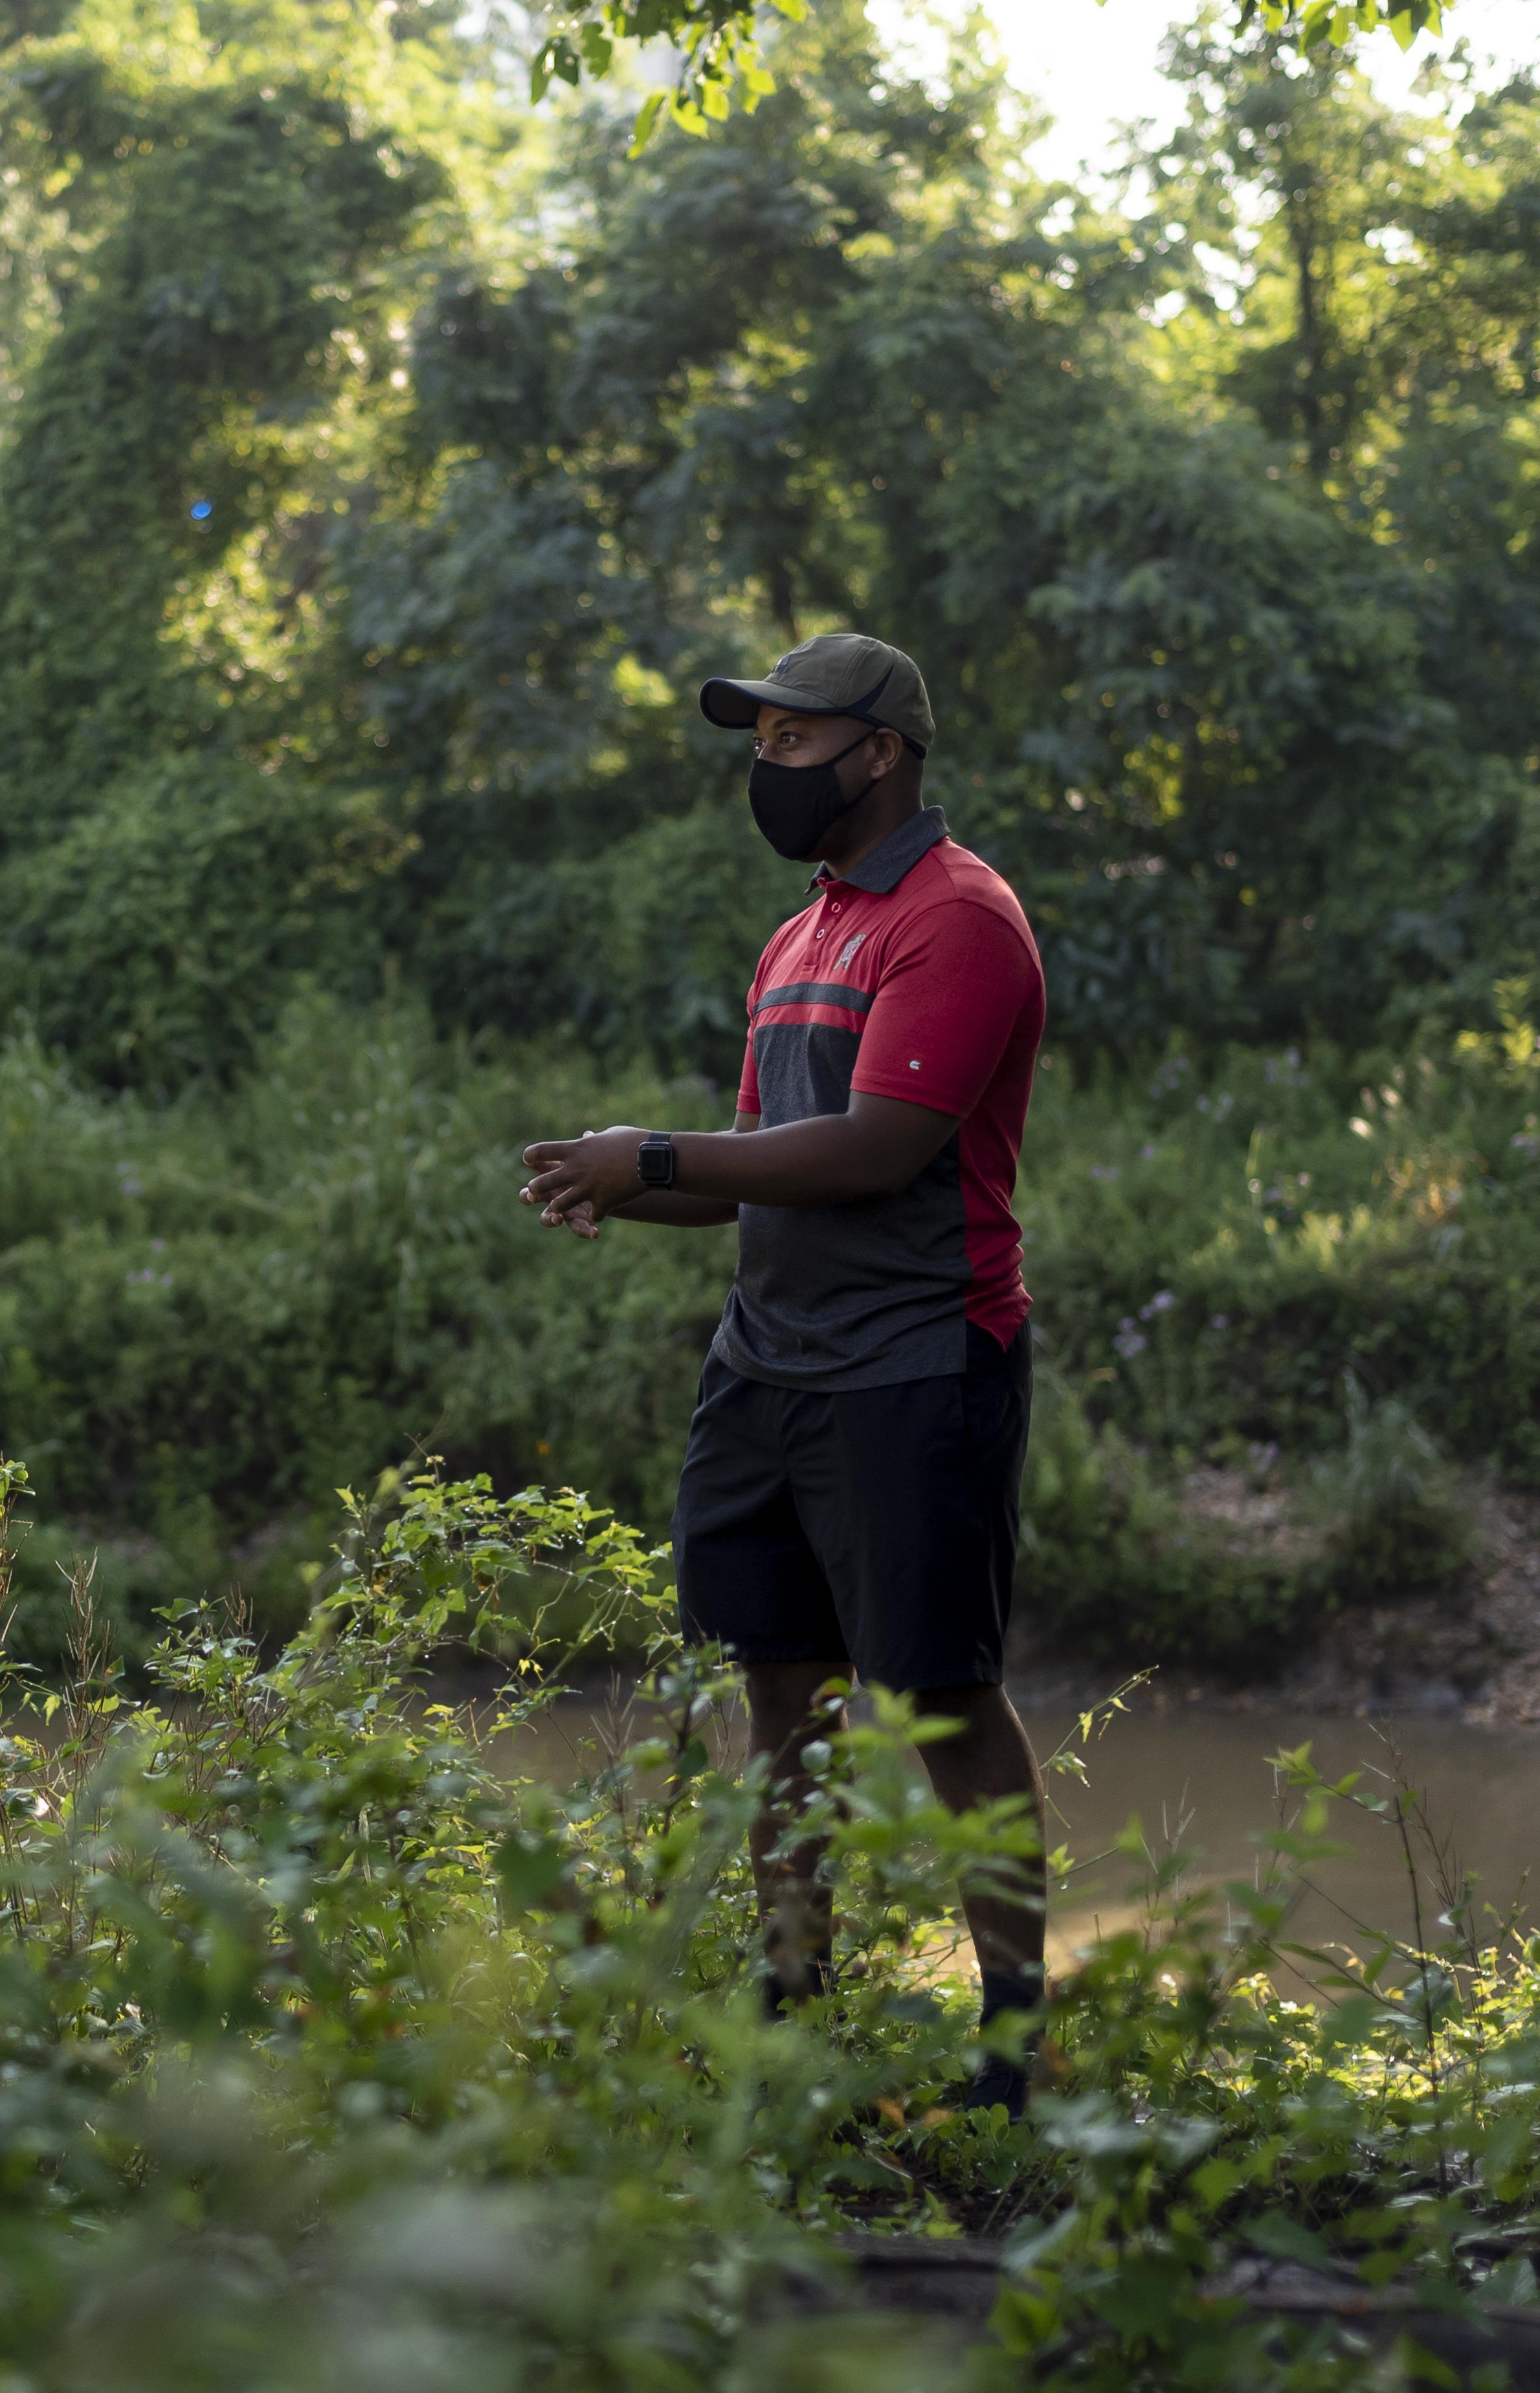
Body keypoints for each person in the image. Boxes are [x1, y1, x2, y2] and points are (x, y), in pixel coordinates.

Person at [516, 631, 1049, 2107]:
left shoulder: (960, 920)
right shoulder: (803, 932)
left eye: (795, 742)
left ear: (879, 752)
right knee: (782, 1697)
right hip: (771, 1361)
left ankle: (1011, 2042)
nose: (769, 766)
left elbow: (878, 1149)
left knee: (942, 1699)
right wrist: (625, 1181)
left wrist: (661, 1152)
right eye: (758, 743)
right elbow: (768, 1172)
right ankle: (789, 2000)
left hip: (915, 1362)